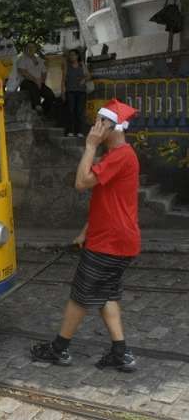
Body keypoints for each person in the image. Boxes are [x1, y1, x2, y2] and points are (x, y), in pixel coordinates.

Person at [30, 99, 140, 373]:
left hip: (110, 243)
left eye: (99, 123)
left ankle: (59, 349)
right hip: (116, 239)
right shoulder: (119, 156)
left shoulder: (119, 156)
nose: (94, 127)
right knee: (106, 295)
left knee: (81, 296)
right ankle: (121, 353)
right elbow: (109, 201)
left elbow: (81, 183)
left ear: (111, 127)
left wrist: (89, 146)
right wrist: (84, 232)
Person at [18, 42, 55, 115]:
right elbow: (23, 72)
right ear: (26, 49)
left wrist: (41, 81)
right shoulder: (22, 59)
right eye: (29, 47)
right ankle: (37, 106)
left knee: (50, 95)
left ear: (35, 49)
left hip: (39, 82)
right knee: (33, 87)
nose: (31, 49)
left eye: (32, 47)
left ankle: (44, 111)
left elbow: (44, 73)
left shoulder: (40, 60)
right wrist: (35, 80)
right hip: (26, 82)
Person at [62, 49, 91, 138]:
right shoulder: (67, 66)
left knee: (80, 112)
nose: (72, 57)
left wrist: (84, 79)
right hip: (70, 91)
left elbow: (89, 76)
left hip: (81, 92)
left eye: (73, 55)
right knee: (71, 111)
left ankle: (80, 131)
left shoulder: (82, 65)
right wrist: (63, 92)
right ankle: (70, 131)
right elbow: (63, 80)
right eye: (70, 55)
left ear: (77, 56)